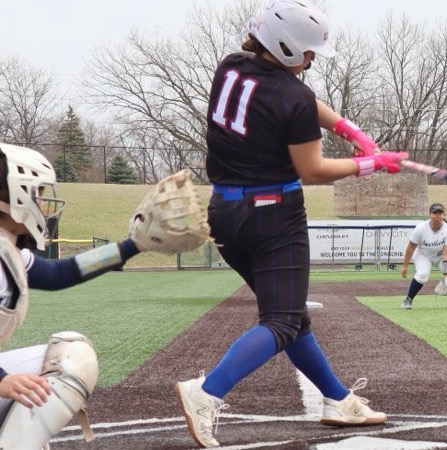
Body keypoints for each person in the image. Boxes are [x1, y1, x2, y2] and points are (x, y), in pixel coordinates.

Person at [174, 1, 408, 447]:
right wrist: (368, 164)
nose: (312, 59)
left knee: (292, 316)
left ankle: (338, 400)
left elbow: (296, 95)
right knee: (280, 322)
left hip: (225, 215)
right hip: (274, 218)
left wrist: (350, 129)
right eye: (308, 52)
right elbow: (313, 170)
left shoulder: (231, 66)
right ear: (284, 48)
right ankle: (206, 392)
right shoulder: (294, 98)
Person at [0, 143, 147, 448]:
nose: (41, 202)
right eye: (36, 192)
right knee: (73, 358)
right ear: (14, 194)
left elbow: (59, 274)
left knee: (70, 353)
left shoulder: (7, 250)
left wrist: (133, 246)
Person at [400, 203, 447, 309]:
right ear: (430, 214)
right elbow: (411, 247)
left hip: (441, 256)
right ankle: (408, 300)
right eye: (434, 213)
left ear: (443, 215)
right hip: (423, 255)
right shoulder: (421, 228)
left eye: (440, 213)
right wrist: (405, 266)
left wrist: (446, 276)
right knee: (422, 274)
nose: (437, 215)